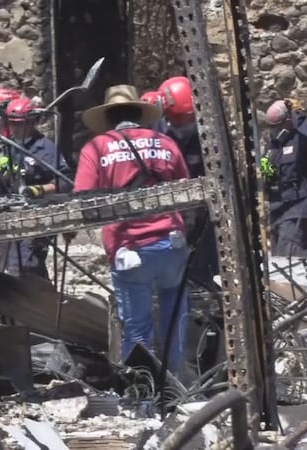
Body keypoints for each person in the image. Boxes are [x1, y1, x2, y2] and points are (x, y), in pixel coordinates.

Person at [73, 84, 191, 369]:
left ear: (108, 118)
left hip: (130, 250)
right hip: (172, 244)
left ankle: (144, 396)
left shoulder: (97, 147)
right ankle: (176, 388)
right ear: (139, 113)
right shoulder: (165, 143)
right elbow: (187, 190)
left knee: (137, 330)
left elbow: (82, 199)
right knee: (175, 320)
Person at [0, 97, 71, 278]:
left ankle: (41, 301)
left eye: (21, 124)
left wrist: (38, 190)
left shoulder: (45, 149)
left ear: (31, 122)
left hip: (30, 220)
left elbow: (65, 182)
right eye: (12, 123)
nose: (16, 128)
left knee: (24, 270)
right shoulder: (1, 146)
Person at [156, 76, 219, 285]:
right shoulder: (157, 135)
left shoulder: (207, 136)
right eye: (181, 121)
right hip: (169, 214)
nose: (186, 126)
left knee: (203, 267)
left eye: (190, 120)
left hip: (203, 212)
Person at [263, 99, 307, 257]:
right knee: (280, 257)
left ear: (288, 122)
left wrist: (298, 114)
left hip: (298, 210)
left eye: (277, 127)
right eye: (271, 127)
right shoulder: (272, 147)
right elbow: (265, 172)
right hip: (278, 211)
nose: (274, 131)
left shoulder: (303, 140)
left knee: (290, 255)